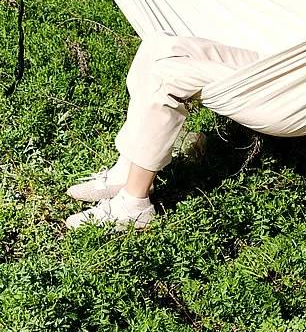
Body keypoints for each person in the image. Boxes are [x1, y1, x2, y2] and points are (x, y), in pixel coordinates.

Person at [65, 32, 261, 229]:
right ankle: (127, 170)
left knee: (167, 75)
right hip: (270, 51)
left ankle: (134, 203)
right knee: (157, 45)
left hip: (283, 75)